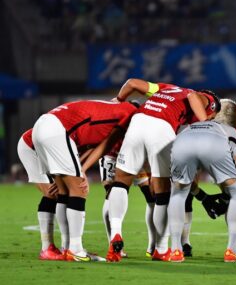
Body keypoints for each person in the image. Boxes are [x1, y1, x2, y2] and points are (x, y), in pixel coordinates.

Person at [104, 79, 220, 262]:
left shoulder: (166, 88)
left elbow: (132, 83)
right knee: (162, 193)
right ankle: (161, 248)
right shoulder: (205, 99)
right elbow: (193, 96)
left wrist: (119, 99)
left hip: (137, 123)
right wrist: (207, 123)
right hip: (161, 128)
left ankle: (116, 234)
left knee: (121, 181)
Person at [31, 99, 139, 262]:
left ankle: (67, 248)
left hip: (42, 127)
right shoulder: (130, 113)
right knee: (79, 189)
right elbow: (106, 145)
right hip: (56, 129)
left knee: (64, 191)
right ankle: (75, 249)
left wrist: (82, 169)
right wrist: (81, 171)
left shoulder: (112, 110)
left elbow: (99, 146)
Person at [168, 99, 236, 262]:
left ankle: (176, 249)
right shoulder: (229, 129)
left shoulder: (195, 123)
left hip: (182, 141)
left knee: (177, 194)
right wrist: (227, 197)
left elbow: (191, 180)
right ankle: (232, 250)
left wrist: (202, 196)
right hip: (213, 143)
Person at [17, 129, 64, 260]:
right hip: (31, 147)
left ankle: (71, 248)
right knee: (53, 193)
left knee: (69, 191)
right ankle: (47, 248)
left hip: (49, 149)